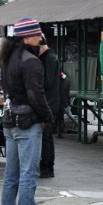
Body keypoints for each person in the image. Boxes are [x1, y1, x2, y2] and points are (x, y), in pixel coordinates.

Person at [0, 18, 55, 205]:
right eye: (36, 35)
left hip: (10, 120)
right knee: (28, 175)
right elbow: (36, 95)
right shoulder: (31, 62)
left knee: (10, 176)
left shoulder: (7, 57)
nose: (40, 38)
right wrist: (47, 117)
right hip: (27, 122)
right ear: (27, 37)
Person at [38, 36, 60, 178]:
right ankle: (47, 167)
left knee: (46, 136)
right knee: (46, 136)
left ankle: (47, 167)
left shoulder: (49, 59)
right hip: (50, 102)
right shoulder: (50, 57)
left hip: (49, 103)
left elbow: (47, 82)